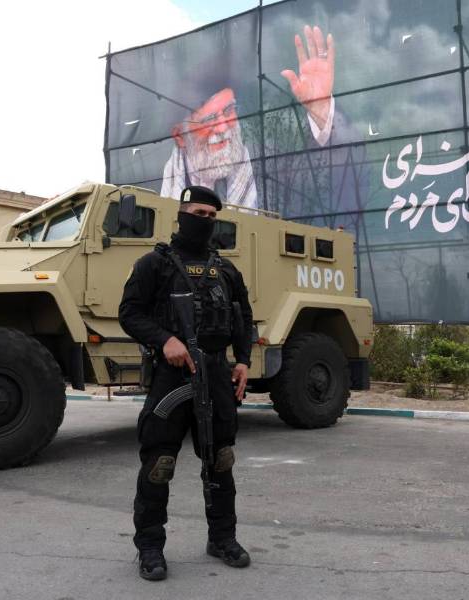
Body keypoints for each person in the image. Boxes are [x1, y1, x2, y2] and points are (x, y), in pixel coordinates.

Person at [118, 185, 254, 581]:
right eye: (198, 213)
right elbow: (129, 313)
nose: (205, 221)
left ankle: (222, 538)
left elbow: (244, 317)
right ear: (181, 214)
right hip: (172, 375)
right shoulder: (154, 264)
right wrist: (165, 339)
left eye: (212, 216)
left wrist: (243, 360)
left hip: (216, 373)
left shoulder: (226, 270)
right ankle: (149, 548)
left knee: (221, 460)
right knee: (160, 463)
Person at [161, 25, 365, 214]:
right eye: (210, 119)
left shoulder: (265, 160)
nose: (223, 127)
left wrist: (319, 109)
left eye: (229, 110)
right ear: (180, 136)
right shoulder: (167, 189)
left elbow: (331, 170)